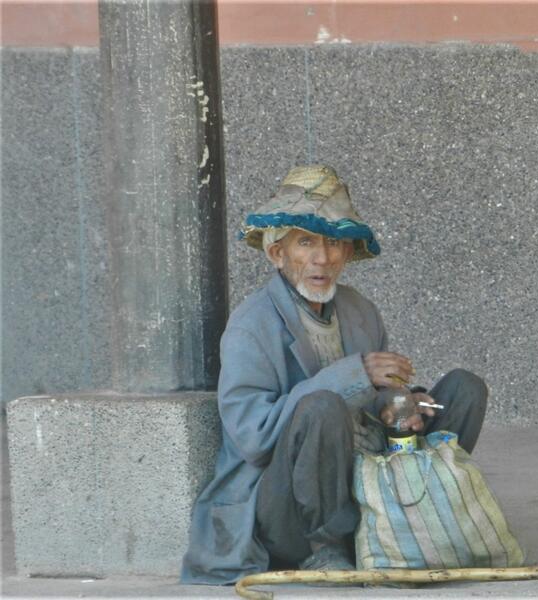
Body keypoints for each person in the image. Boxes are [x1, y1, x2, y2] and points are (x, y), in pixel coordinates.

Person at [180, 165, 488, 585]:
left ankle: (426, 518)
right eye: (306, 242)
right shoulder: (251, 325)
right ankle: (328, 550)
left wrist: (399, 403)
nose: (322, 258)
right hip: (290, 514)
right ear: (277, 254)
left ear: (347, 252)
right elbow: (253, 437)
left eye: (334, 242)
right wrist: (351, 377)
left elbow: (374, 395)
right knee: (321, 405)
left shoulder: (359, 309)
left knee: (464, 388)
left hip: (365, 481)